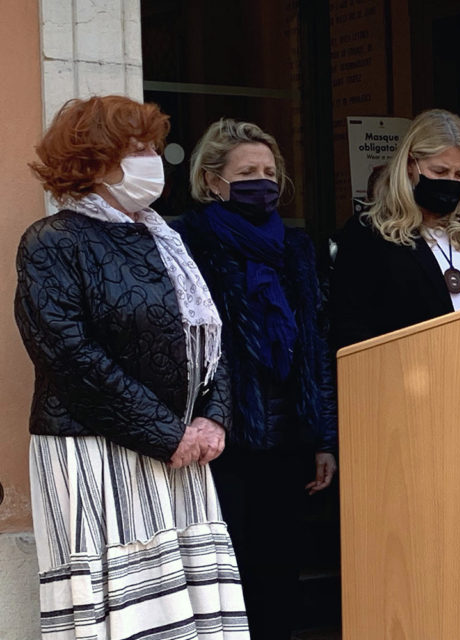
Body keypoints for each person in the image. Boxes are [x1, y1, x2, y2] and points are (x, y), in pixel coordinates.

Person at [17, 95, 247, 638]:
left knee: (186, 612)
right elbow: (68, 356)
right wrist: (168, 433)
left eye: (150, 146)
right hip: (94, 451)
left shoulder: (165, 238)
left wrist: (213, 417)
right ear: (91, 161)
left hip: (180, 450)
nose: (152, 159)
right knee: (121, 607)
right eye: (135, 149)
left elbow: (209, 337)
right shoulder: (52, 242)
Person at [173, 118, 338, 638]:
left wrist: (322, 439)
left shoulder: (296, 249)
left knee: (279, 573)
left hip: (287, 437)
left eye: (269, 171)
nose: (262, 181)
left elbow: (316, 347)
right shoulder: (187, 244)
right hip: (222, 439)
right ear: (212, 180)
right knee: (226, 572)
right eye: (247, 171)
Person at [330, 109, 460, 349]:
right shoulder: (369, 233)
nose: (450, 181)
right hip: (402, 375)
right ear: (410, 165)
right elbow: (350, 325)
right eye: (439, 171)